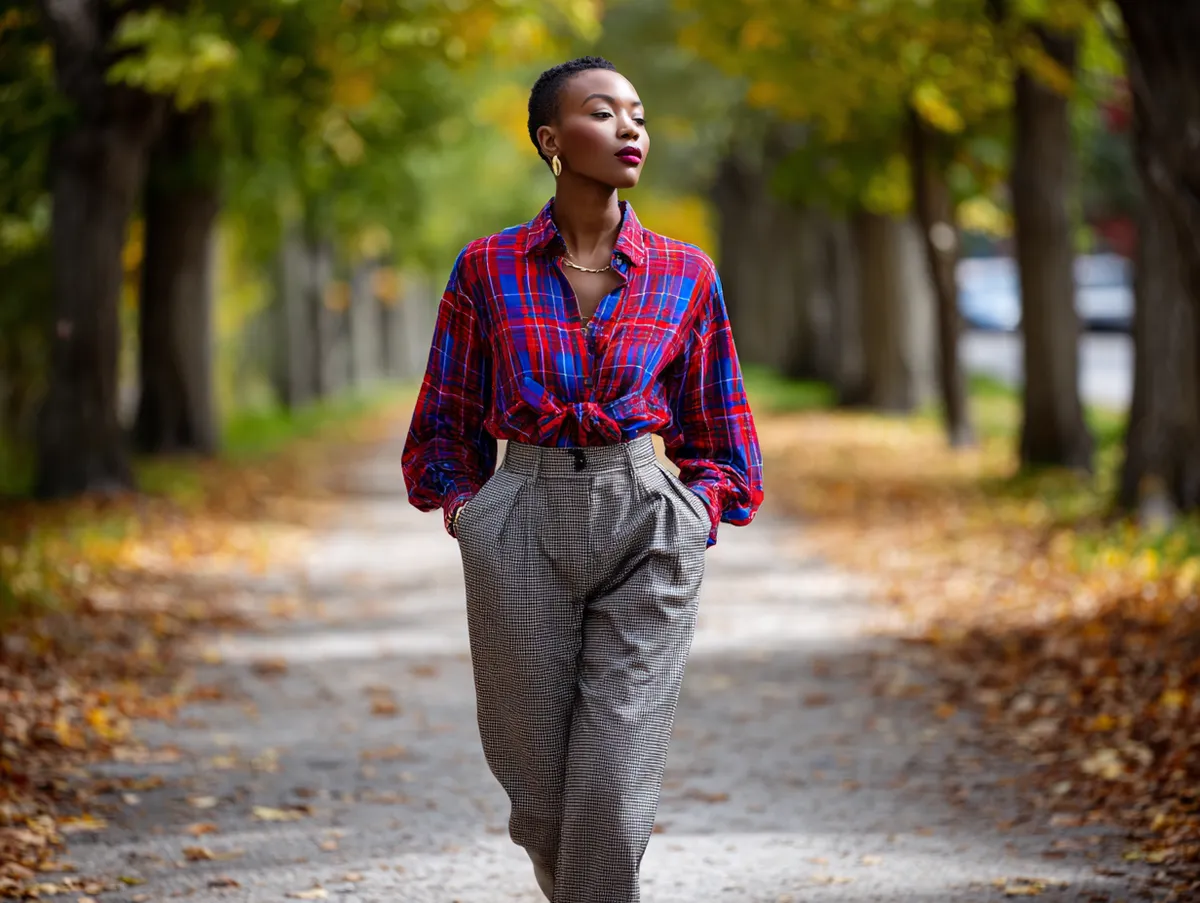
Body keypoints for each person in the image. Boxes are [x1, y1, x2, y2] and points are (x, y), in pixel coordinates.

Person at [402, 56, 763, 903]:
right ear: (552, 141)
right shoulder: (486, 268)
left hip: (645, 523)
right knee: (536, 787)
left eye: (638, 112)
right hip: (520, 520)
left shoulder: (686, 273)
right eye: (604, 112)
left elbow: (723, 430)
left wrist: (693, 509)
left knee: (612, 778)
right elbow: (443, 419)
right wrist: (470, 511)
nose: (631, 127)